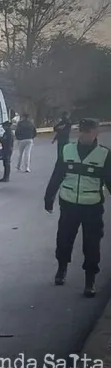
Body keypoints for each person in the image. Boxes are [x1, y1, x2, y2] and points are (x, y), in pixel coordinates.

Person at [44, 119, 111, 298]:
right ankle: (61, 269)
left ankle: (90, 281)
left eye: (91, 132)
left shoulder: (104, 154)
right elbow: (57, 174)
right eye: (84, 132)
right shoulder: (68, 150)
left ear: (96, 132)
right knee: (64, 239)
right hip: (69, 203)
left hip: (92, 207)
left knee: (92, 244)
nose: (87, 135)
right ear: (80, 132)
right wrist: (48, 196)